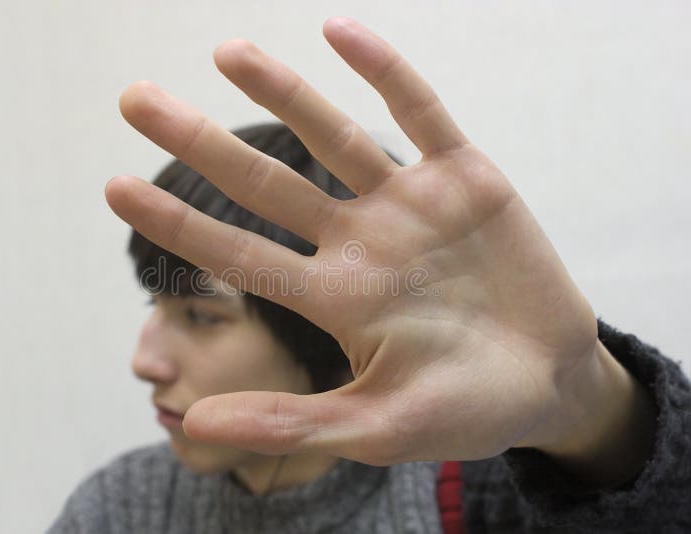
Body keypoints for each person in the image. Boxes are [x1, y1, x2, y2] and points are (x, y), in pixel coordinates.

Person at [48, 16, 691, 533]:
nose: (144, 361)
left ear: (331, 337)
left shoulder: (479, 496)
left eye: (199, 315)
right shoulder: (117, 509)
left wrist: (581, 401)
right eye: (154, 306)